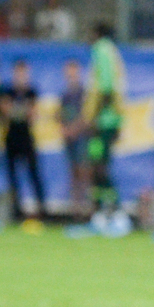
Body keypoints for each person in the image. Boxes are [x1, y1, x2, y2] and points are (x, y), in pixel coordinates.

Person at [83, 23, 128, 233]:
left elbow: (106, 88)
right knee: (96, 165)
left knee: (100, 166)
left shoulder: (102, 49)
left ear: (97, 34)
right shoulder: (111, 52)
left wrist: (95, 119)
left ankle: (115, 212)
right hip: (107, 119)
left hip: (104, 121)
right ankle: (100, 213)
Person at [0, 59, 46, 232]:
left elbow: (32, 114)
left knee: (34, 174)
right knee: (13, 177)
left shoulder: (31, 91)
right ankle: (16, 210)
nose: (21, 76)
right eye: (18, 72)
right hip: (12, 138)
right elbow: (5, 111)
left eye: (23, 73)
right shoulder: (8, 91)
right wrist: (20, 111)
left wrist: (17, 111)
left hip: (26, 138)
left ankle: (42, 210)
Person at [59, 58, 90, 221]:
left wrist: (74, 129)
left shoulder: (84, 93)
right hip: (70, 139)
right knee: (73, 173)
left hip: (82, 138)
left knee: (84, 171)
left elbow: (87, 115)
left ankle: (86, 209)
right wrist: (64, 128)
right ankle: (76, 210)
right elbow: (61, 115)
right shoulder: (65, 94)